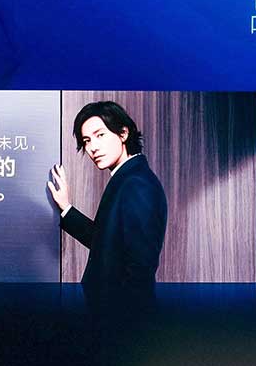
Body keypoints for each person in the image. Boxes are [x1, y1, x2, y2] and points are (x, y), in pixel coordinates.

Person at [47, 101, 168, 312]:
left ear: (123, 133)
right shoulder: (127, 178)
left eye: (100, 135)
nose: (92, 147)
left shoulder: (136, 184)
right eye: (87, 140)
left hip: (121, 319)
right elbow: (108, 242)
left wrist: (119, 323)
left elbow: (140, 268)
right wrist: (66, 208)